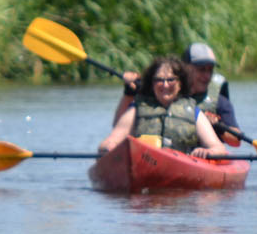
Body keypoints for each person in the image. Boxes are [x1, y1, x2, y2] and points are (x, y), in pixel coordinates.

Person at [97, 55, 232, 158]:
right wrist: (109, 147)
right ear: (151, 83)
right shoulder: (137, 109)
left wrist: (207, 151)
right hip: (143, 161)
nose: (165, 85)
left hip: (182, 165)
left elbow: (219, 149)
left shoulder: (193, 111)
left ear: (180, 83)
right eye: (159, 80)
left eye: (171, 80)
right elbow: (110, 140)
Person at [111, 42, 240, 137]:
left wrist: (218, 127)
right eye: (201, 70)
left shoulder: (219, 100)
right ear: (185, 68)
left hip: (203, 157)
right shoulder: (162, 91)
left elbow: (236, 140)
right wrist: (129, 94)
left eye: (210, 70)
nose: (207, 76)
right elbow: (118, 127)